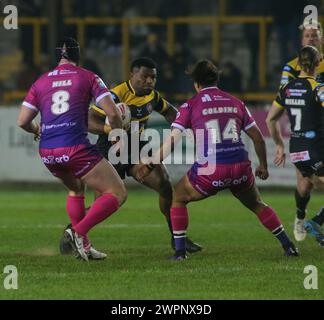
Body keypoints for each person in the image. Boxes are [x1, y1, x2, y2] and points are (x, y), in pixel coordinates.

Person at [136, 59, 299, 259]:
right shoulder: (236, 102)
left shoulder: (190, 105)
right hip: (240, 166)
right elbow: (257, 137)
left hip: (211, 169)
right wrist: (263, 166)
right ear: (216, 80)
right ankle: (288, 246)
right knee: (257, 204)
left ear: (196, 83)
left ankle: (179, 252)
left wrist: (150, 164)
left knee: (177, 198)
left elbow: (171, 143)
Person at [59, 57, 202, 254]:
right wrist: (109, 129)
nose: (150, 81)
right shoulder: (116, 95)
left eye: (153, 77)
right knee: (104, 203)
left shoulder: (153, 96)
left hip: (137, 148)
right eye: (145, 77)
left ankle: (178, 238)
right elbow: (90, 120)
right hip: (110, 150)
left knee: (165, 187)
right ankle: (71, 232)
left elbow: (169, 112)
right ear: (132, 75)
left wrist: (185, 125)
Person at [17, 37, 127, 261]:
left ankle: (83, 247)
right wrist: (118, 136)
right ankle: (77, 232)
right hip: (75, 148)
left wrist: (36, 128)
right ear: (78, 55)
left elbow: (22, 121)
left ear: (55, 57)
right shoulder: (89, 77)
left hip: (48, 151)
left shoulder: (41, 82)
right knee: (117, 193)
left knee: (76, 189)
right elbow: (113, 113)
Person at [267, 45, 324, 246]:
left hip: (296, 150)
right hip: (316, 149)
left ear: (298, 63)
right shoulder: (317, 87)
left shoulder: (286, 89)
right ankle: (315, 222)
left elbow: (270, 120)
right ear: (318, 63)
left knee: (307, 185)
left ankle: (306, 220)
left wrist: (279, 146)